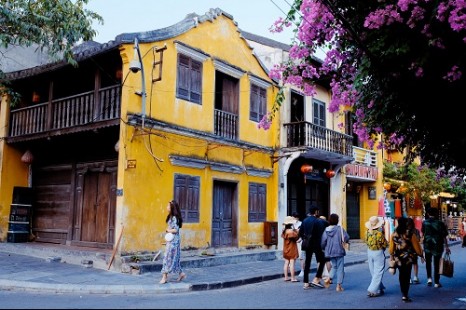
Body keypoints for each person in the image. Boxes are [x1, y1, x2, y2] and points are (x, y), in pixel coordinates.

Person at [389, 217, 425, 303]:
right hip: (408, 258)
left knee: (401, 276)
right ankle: (405, 294)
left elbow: (391, 248)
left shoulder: (394, 234)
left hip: (398, 258)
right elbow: (416, 246)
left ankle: (403, 293)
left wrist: (392, 256)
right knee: (407, 275)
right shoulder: (410, 234)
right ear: (405, 224)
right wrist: (421, 255)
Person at [299, 206, 328, 290]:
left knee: (307, 262)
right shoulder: (320, 221)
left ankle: (305, 283)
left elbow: (301, 233)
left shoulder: (304, 220)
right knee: (322, 260)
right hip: (317, 244)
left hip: (308, 244)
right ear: (316, 212)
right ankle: (317, 278)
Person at [422, 207, 450, 288]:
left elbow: (423, 233)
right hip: (437, 245)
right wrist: (447, 247)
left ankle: (429, 278)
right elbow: (444, 236)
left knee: (428, 262)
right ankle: (436, 282)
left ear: (428, 214)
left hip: (427, 245)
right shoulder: (440, 223)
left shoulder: (424, 223)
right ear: (436, 214)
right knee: (437, 263)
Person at [321, 213, 349, 292]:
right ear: (337, 220)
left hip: (330, 251)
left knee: (334, 266)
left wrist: (324, 248)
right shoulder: (340, 229)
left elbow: (323, 241)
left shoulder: (326, 230)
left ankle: (329, 278)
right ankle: (338, 286)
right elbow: (346, 237)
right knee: (340, 268)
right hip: (339, 250)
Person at [160, 200, 186, 284]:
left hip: (174, 242)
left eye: (168, 206)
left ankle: (164, 277)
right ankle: (181, 273)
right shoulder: (170, 216)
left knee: (167, 258)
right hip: (171, 240)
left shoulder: (175, 217)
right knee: (174, 258)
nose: (167, 207)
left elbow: (176, 229)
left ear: (172, 208)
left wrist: (168, 230)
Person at [364, 215, 389, 297]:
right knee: (378, 272)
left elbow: (366, 241)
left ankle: (379, 287)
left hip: (369, 251)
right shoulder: (379, 234)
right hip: (378, 252)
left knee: (373, 271)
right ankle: (372, 289)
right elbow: (385, 244)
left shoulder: (367, 232)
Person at [281, 216, 300, 282]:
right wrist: (296, 230)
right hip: (291, 249)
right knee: (292, 264)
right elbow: (297, 238)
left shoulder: (284, 231)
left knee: (286, 263)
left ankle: (286, 277)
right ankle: (293, 278)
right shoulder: (291, 232)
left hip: (285, 248)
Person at [407, 217, 421, 284]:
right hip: (414, 250)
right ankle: (415, 277)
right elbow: (418, 240)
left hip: (406, 250)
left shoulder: (404, 231)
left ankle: (409, 278)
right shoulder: (416, 231)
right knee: (415, 263)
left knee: (408, 264)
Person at [292, 212, 305, 278]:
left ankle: (302, 270)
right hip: (292, 242)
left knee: (301, 257)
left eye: (296, 217)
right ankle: (292, 270)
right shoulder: (290, 224)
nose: (295, 219)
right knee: (292, 257)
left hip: (299, 242)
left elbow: (303, 233)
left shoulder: (301, 223)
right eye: (294, 217)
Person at [319, 215, 332, 282]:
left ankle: (321, 275)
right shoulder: (330, 229)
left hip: (323, 248)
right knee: (328, 261)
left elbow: (323, 241)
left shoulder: (322, 230)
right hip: (329, 248)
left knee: (321, 261)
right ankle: (329, 275)